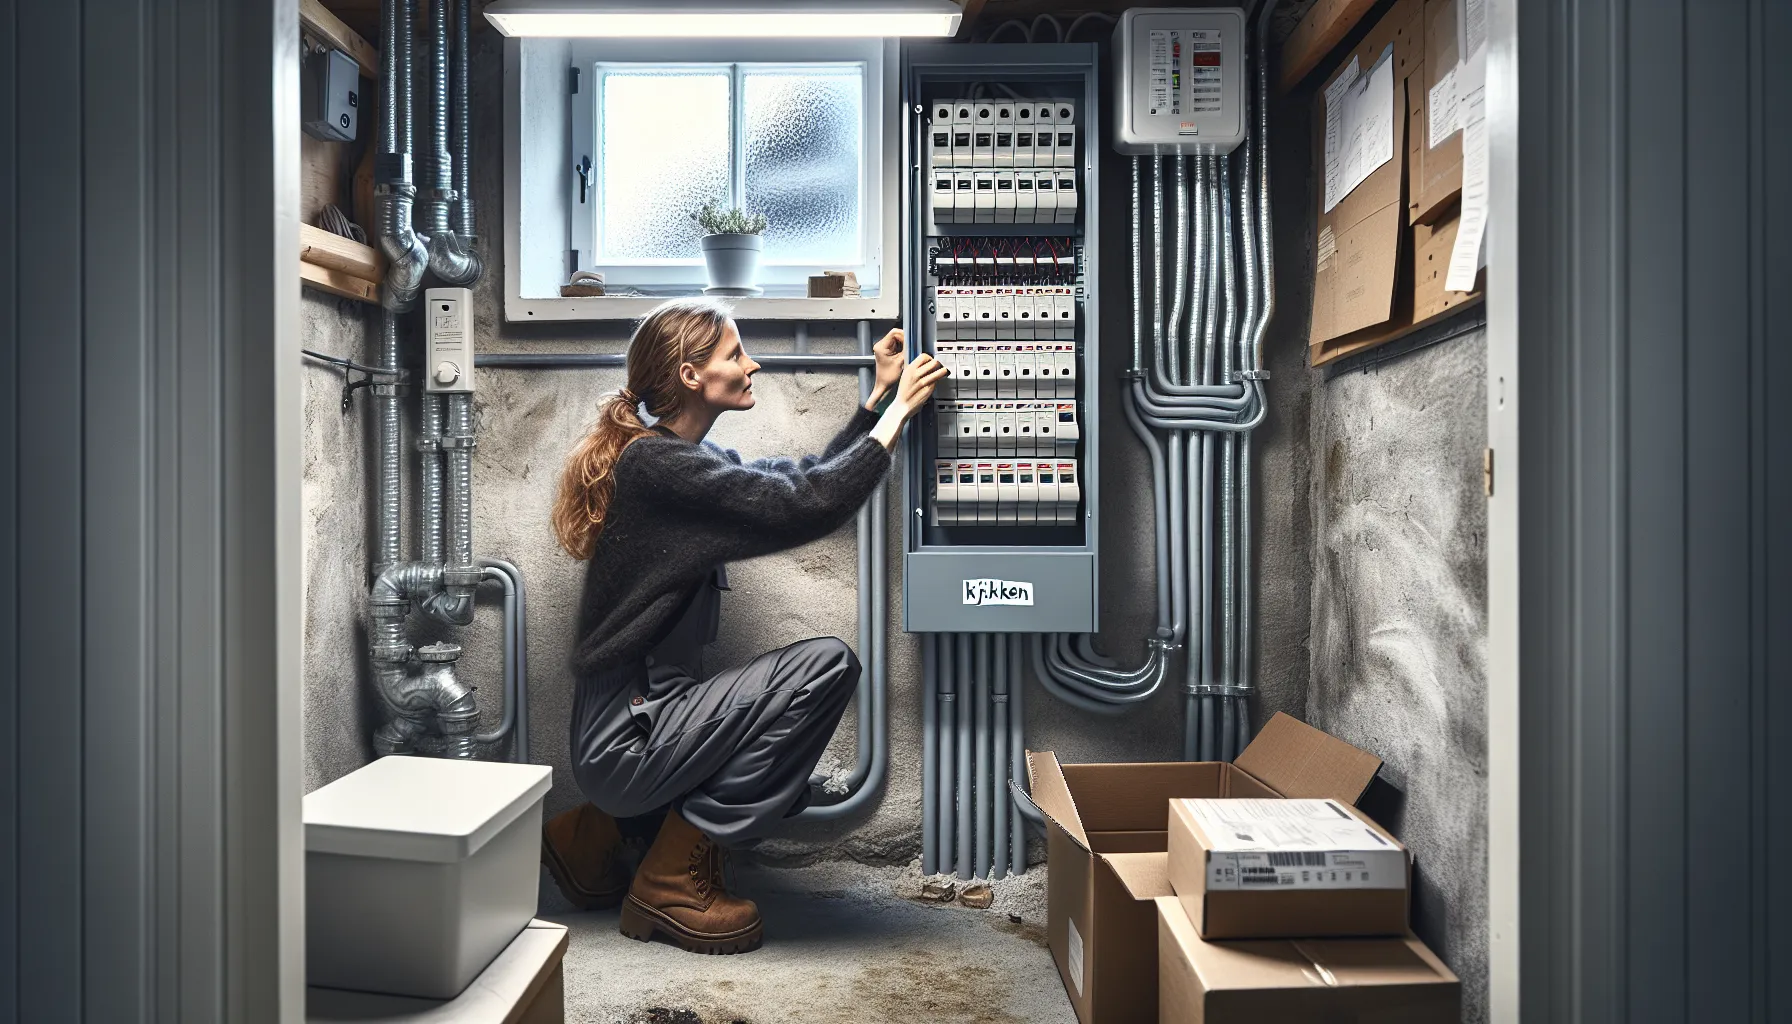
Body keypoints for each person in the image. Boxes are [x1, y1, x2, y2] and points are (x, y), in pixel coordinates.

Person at [541, 298, 947, 955]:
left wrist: (874, 403)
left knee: (782, 780)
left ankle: (598, 840)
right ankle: (668, 880)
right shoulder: (658, 467)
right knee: (825, 668)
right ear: (692, 374)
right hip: (627, 738)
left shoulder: (681, 461)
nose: (751, 363)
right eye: (735, 353)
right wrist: (899, 413)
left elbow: (804, 485)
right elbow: (807, 504)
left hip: (637, 730)